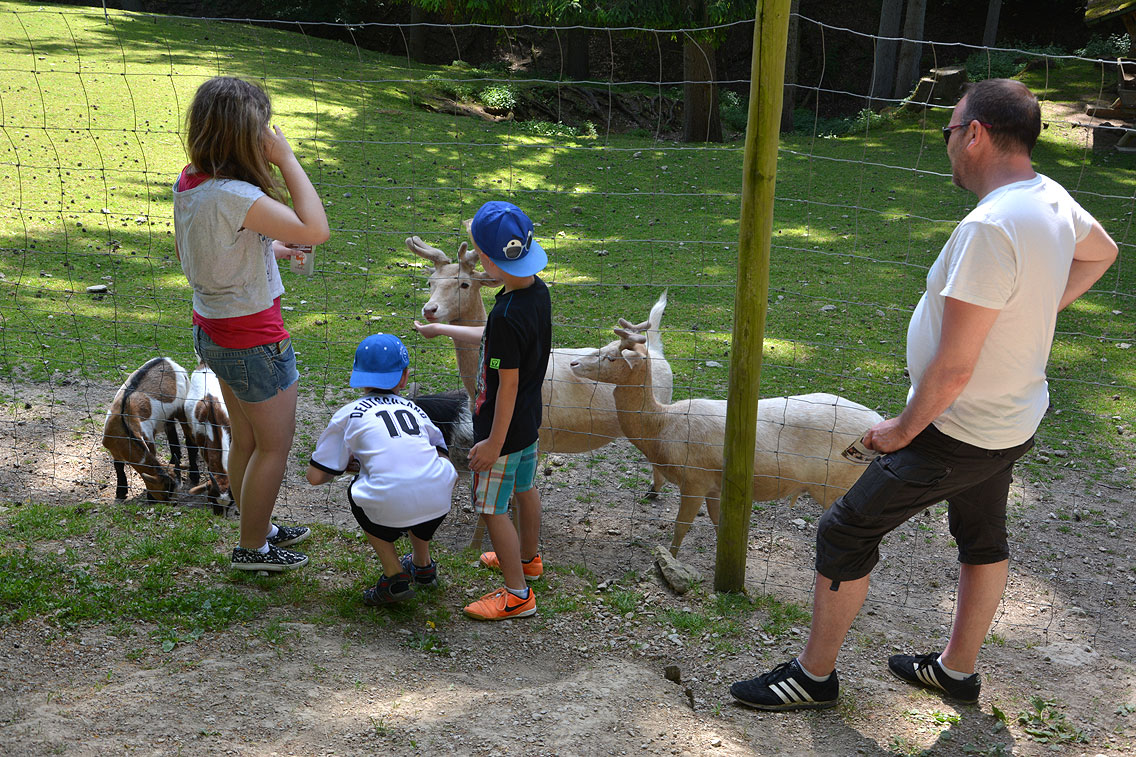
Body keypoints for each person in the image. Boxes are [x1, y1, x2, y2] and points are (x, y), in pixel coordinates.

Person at [730, 79, 1118, 711]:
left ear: (976, 133)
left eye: (948, 131)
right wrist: (1037, 309)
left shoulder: (992, 226)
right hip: (1012, 419)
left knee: (845, 531)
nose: (947, 146)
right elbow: (1103, 251)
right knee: (983, 538)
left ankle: (814, 677)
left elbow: (955, 369)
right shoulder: (1047, 196)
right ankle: (957, 672)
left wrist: (901, 431)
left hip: (958, 429)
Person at [174, 76, 330, 572]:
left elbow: (204, 249)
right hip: (253, 340)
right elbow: (316, 230)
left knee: (246, 439)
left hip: (213, 328)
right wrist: (286, 159)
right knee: (274, 447)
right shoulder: (237, 194)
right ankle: (253, 550)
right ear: (247, 134)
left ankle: (253, 525)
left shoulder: (190, 181)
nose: (271, 133)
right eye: (263, 125)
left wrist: (270, 247)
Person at [414, 200, 552, 621]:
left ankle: (516, 594)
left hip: (501, 430)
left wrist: (491, 441)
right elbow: (491, 336)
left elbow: (504, 383)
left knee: (493, 508)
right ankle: (530, 560)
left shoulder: (507, 315)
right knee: (526, 488)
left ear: (488, 264)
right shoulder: (533, 292)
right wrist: (441, 328)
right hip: (529, 422)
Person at [306, 334, 458, 605]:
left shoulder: (348, 413)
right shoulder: (415, 408)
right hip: (439, 501)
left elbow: (315, 477)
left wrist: (348, 466)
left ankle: (394, 576)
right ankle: (423, 566)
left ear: (358, 376)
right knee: (420, 480)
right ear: (404, 377)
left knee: (359, 491)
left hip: (390, 502)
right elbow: (441, 452)